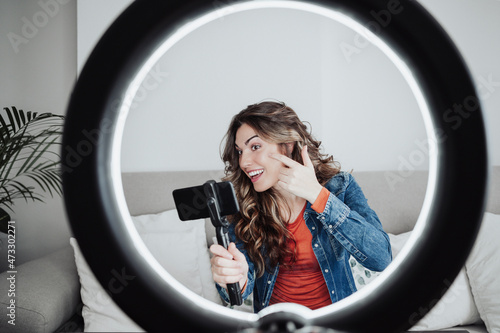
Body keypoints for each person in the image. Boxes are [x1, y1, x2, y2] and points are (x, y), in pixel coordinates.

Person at [210, 101, 392, 312]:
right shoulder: (242, 204)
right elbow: (240, 286)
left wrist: (317, 196)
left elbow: (381, 259)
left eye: (255, 146)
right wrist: (235, 279)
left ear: (288, 146)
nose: (244, 162)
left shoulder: (340, 187)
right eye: (240, 151)